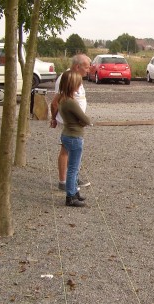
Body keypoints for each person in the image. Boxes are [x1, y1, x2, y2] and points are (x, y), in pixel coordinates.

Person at [50, 54, 92, 190]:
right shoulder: (66, 78)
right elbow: (55, 102)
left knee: (71, 152)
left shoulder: (76, 78)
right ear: (77, 66)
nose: (89, 70)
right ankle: (64, 182)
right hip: (69, 122)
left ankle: (72, 178)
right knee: (66, 151)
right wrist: (53, 118)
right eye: (86, 67)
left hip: (75, 122)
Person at [57, 71, 92, 207]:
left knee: (74, 167)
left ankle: (74, 192)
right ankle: (70, 196)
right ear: (72, 85)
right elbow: (85, 119)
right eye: (78, 84)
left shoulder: (62, 99)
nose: (80, 86)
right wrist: (84, 122)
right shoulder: (71, 102)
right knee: (73, 168)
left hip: (67, 134)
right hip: (74, 136)